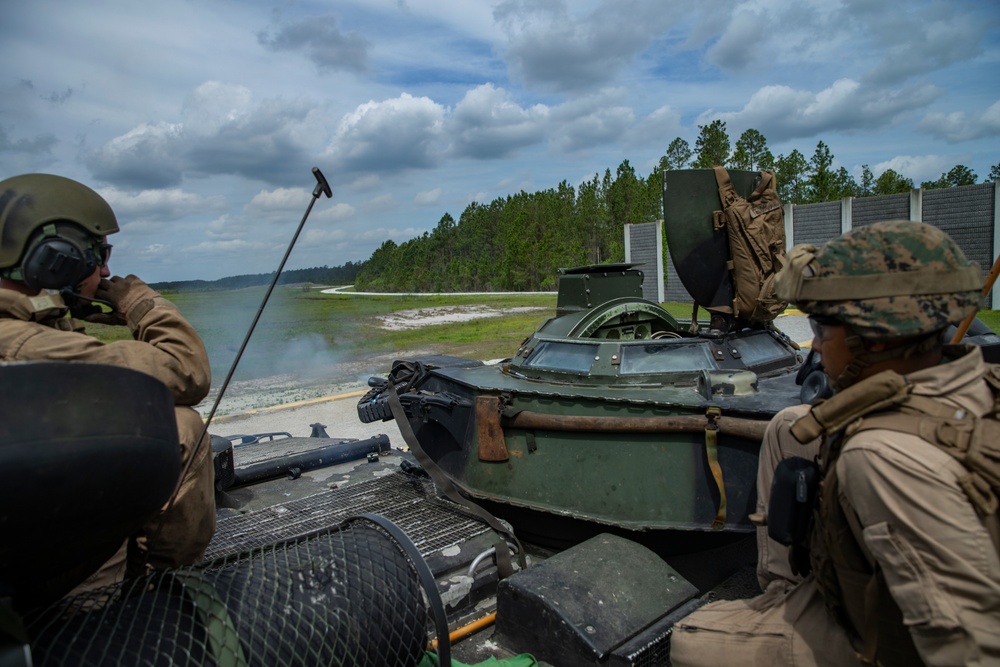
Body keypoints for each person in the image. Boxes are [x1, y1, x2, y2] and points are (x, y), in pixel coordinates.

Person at [670, 220, 1000, 666]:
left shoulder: (881, 458)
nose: (817, 350)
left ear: (874, 341)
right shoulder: (980, 381)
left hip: (879, 637)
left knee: (693, 640)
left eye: (823, 330)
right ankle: (786, 589)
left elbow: (971, 648)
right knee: (790, 426)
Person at [0, 173, 215, 598]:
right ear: (54, 259)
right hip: (57, 587)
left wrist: (65, 306)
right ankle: (152, 598)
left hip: (23, 553)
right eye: (97, 255)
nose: (106, 270)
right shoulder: (24, 346)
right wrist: (137, 302)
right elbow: (186, 369)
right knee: (181, 428)